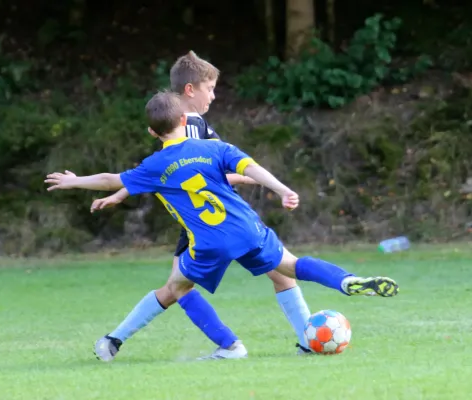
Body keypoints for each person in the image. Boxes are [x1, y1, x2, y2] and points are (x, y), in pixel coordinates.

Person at [45, 91, 400, 360]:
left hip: (209, 242)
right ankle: (345, 280)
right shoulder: (215, 149)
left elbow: (111, 179)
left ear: (152, 132)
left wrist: (75, 182)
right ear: (186, 120)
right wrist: (281, 189)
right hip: (247, 228)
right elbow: (251, 169)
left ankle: (126, 341)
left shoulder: (154, 165)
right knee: (291, 266)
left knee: (176, 289)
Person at [89, 51, 312, 360]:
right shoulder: (191, 126)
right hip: (208, 221)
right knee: (182, 287)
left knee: (177, 287)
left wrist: (121, 192)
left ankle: (115, 340)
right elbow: (190, 174)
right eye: (210, 88)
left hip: (210, 220)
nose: (214, 95)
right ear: (190, 91)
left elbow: (176, 171)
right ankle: (274, 342)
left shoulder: (194, 125)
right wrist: (252, 176)